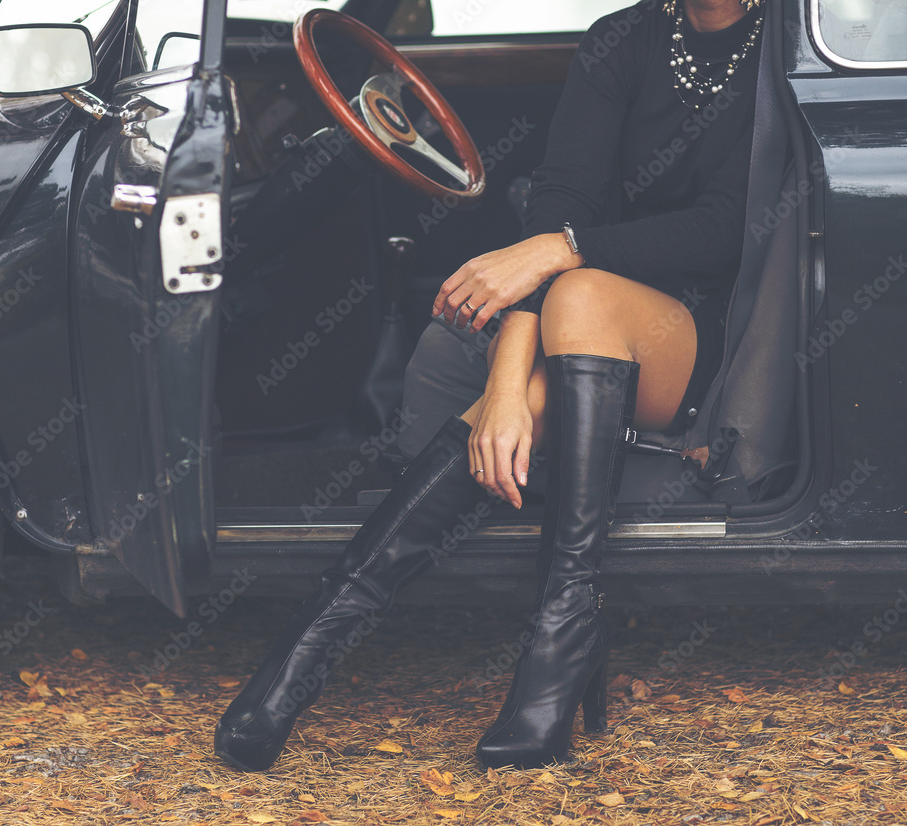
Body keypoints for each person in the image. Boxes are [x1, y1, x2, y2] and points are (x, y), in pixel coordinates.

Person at [214, 0, 764, 772]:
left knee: (576, 286)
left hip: (718, 330)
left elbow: (725, 229)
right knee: (571, 296)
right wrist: (506, 389)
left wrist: (561, 248)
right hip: (586, 315)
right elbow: (562, 202)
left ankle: (300, 654)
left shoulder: (787, 43)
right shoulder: (624, 40)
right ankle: (560, 633)